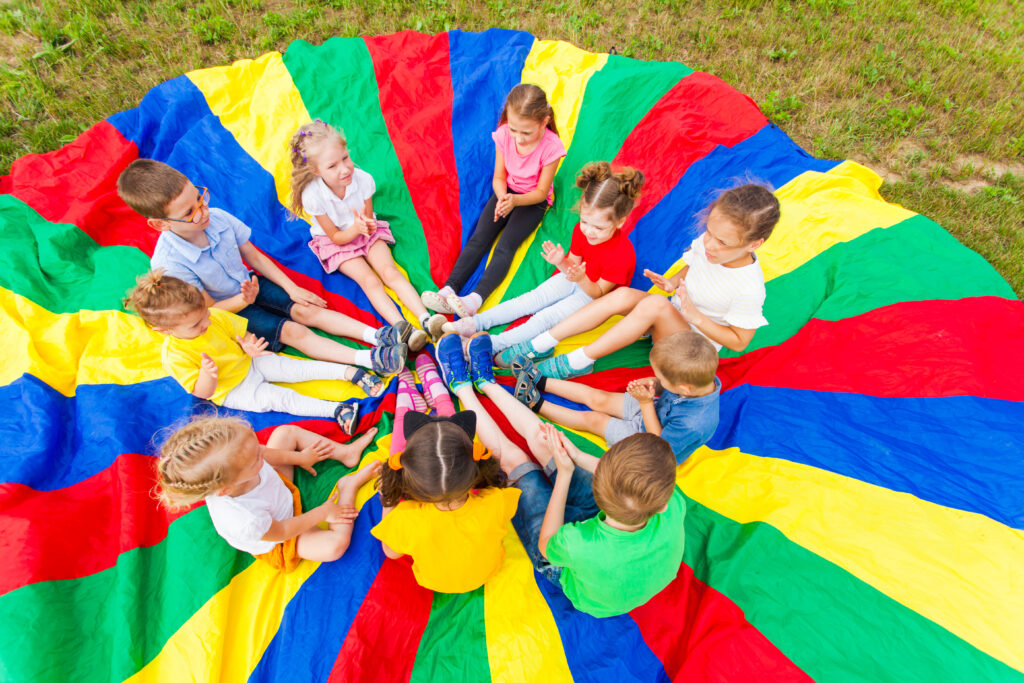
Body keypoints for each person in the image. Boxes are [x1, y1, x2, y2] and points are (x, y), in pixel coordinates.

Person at [458, 332, 686, 617]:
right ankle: (488, 384)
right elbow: (609, 471)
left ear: (599, 486)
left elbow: (547, 545)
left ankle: (463, 388)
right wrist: (575, 458)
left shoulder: (581, 545)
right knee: (547, 443)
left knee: (514, 461)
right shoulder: (668, 498)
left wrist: (565, 475)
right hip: (615, 533)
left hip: (564, 558)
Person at [117, 158, 407, 376]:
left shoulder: (216, 217)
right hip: (225, 313)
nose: (202, 211)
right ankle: (369, 360)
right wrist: (243, 300)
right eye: (189, 213)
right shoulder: (171, 265)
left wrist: (291, 289)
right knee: (293, 332)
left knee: (307, 309)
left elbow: (252, 255)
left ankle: (378, 335)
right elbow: (205, 311)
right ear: (160, 224)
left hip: (248, 285)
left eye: (199, 198)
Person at [523, 184, 781, 378]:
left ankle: (577, 361)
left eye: (723, 242)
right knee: (624, 295)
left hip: (690, 350)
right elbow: (693, 266)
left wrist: (696, 317)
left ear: (754, 244)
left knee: (655, 305)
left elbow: (739, 342)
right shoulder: (708, 245)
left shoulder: (749, 288)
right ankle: (542, 343)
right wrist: (672, 283)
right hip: (670, 319)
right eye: (709, 233)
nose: (710, 244)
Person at [442, 162, 644, 367]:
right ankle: (475, 322)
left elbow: (597, 294)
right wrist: (561, 262)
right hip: (575, 277)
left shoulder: (622, 255)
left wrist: (580, 278)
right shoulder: (581, 231)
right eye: (585, 222)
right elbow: (573, 264)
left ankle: (493, 344)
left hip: (592, 296)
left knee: (545, 318)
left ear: (619, 222)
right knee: (529, 300)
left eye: (599, 228)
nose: (589, 231)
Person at [126, 271, 367, 432]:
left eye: (205, 315)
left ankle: (350, 372)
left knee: (294, 368)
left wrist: (249, 345)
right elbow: (202, 392)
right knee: (278, 399)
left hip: (248, 362)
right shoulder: (175, 356)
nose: (206, 324)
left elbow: (240, 333)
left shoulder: (215, 317)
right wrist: (208, 375)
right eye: (196, 325)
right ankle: (337, 410)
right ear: (164, 330)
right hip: (232, 389)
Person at [155, 416, 381, 571]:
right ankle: (347, 487)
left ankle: (346, 453)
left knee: (285, 433)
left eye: (256, 447)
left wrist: (301, 458)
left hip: (279, 492)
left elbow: (266, 453)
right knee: (334, 546)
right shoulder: (245, 520)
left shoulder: (244, 461)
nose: (261, 452)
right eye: (255, 458)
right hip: (279, 532)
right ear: (226, 488)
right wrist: (323, 513)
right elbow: (283, 530)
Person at [420, 84, 565, 318]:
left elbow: (541, 192)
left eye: (526, 133)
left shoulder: (551, 147)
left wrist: (515, 202)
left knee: (505, 246)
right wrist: (502, 197)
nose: (519, 138)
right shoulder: (505, 134)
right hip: (505, 193)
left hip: (531, 202)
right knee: (480, 238)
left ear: (543, 121)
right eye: (515, 130)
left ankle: (475, 299)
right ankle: (449, 289)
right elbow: (499, 177)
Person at [289, 120, 434, 350]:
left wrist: (365, 225)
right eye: (332, 166)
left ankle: (426, 319)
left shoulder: (362, 179)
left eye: (345, 158)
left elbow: (367, 214)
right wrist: (356, 229)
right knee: (370, 281)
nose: (344, 169)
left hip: (365, 231)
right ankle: (404, 328)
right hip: (337, 242)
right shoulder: (313, 196)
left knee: (390, 271)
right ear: (316, 171)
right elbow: (335, 237)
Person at [514, 331, 720, 464]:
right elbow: (664, 388)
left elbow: (657, 442)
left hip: (650, 446)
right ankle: (540, 381)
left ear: (683, 388)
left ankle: (534, 402)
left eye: (661, 378)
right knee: (598, 398)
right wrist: (654, 385)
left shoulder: (694, 423)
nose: (657, 379)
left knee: (594, 419)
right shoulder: (696, 377)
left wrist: (646, 402)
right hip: (651, 408)